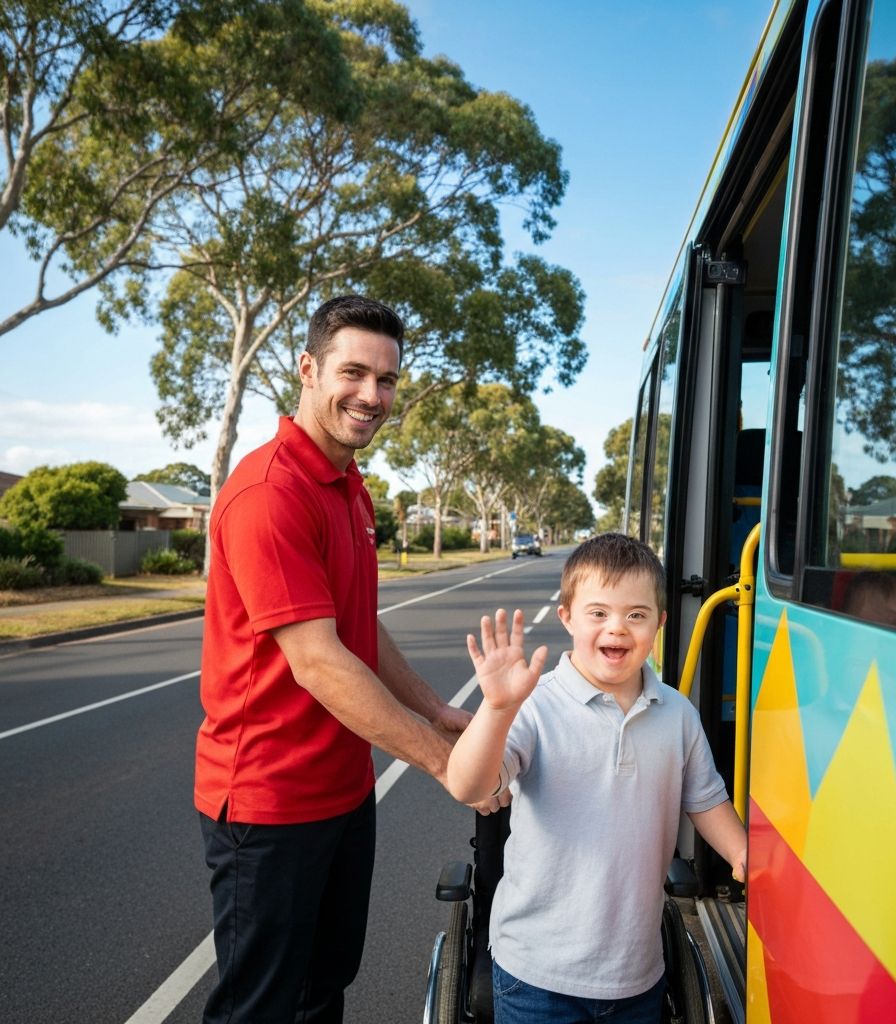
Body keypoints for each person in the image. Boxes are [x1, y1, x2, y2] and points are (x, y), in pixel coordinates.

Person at [194, 294, 473, 1023]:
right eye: (355, 373)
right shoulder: (269, 492)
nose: (372, 396)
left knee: (323, 991)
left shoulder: (351, 487)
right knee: (258, 1007)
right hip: (268, 801)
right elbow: (318, 661)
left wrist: (434, 711)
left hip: (345, 791)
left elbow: (357, 628)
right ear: (308, 369)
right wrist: (444, 763)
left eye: (386, 381)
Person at [447, 533, 748, 1023]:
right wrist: (497, 709)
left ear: (660, 623)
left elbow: (706, 799)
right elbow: (468, 787)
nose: (618, 628)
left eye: (636, 614)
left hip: (636, 972)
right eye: (599, 613)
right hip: (536, 972)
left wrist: (742, 854)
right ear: (566, 617)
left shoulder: (677, 714)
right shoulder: (535, 705)